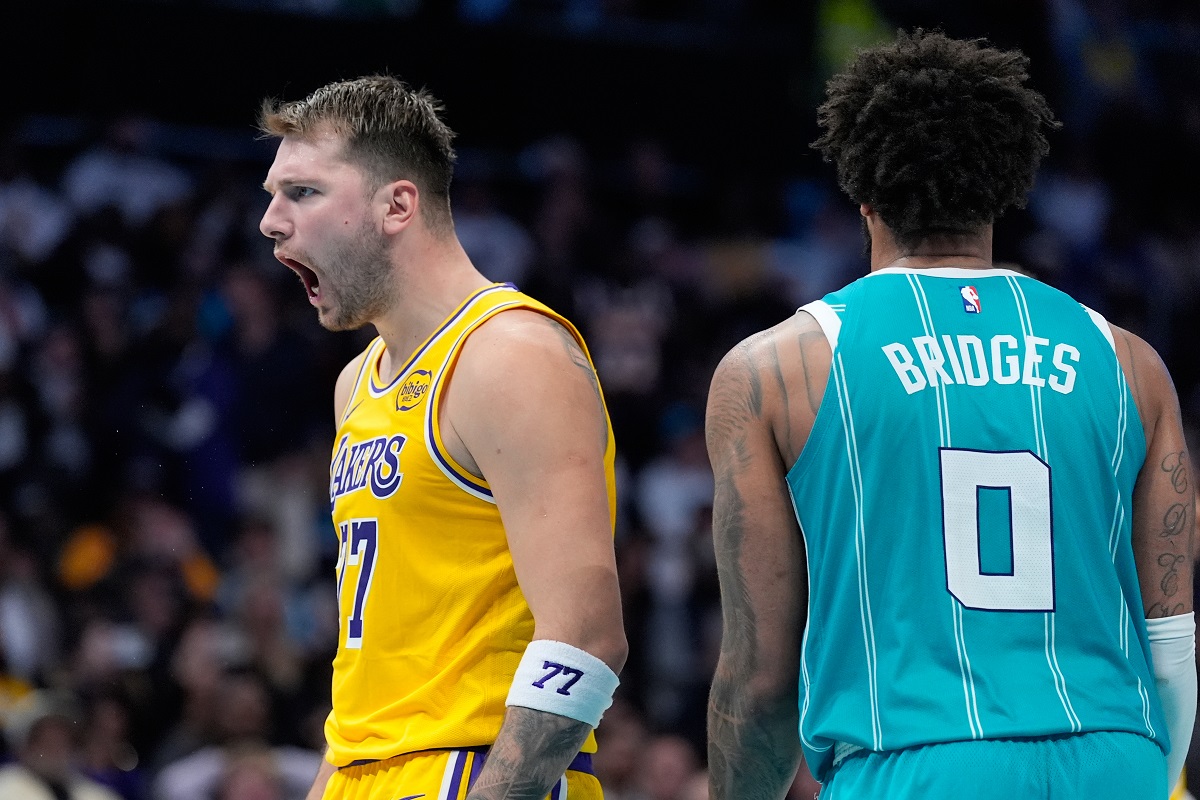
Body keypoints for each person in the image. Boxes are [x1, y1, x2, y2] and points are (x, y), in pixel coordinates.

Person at [704, 29, 1196, 799]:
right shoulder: (1130, 362)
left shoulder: (774, 370)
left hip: (916, 760)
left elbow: (760, 679)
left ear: (862, 195)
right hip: (1116, 757)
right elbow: (1171, 643)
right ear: (1005, 188)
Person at [256, 75, 627, 800]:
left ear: (397, 205)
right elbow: (371, 667)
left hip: (471, 766)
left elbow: (586, 633)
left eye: (302, 193)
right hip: (364, 771)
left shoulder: (510, 354)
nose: (270, 221)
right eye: (272, 195)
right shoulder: (355, 383)